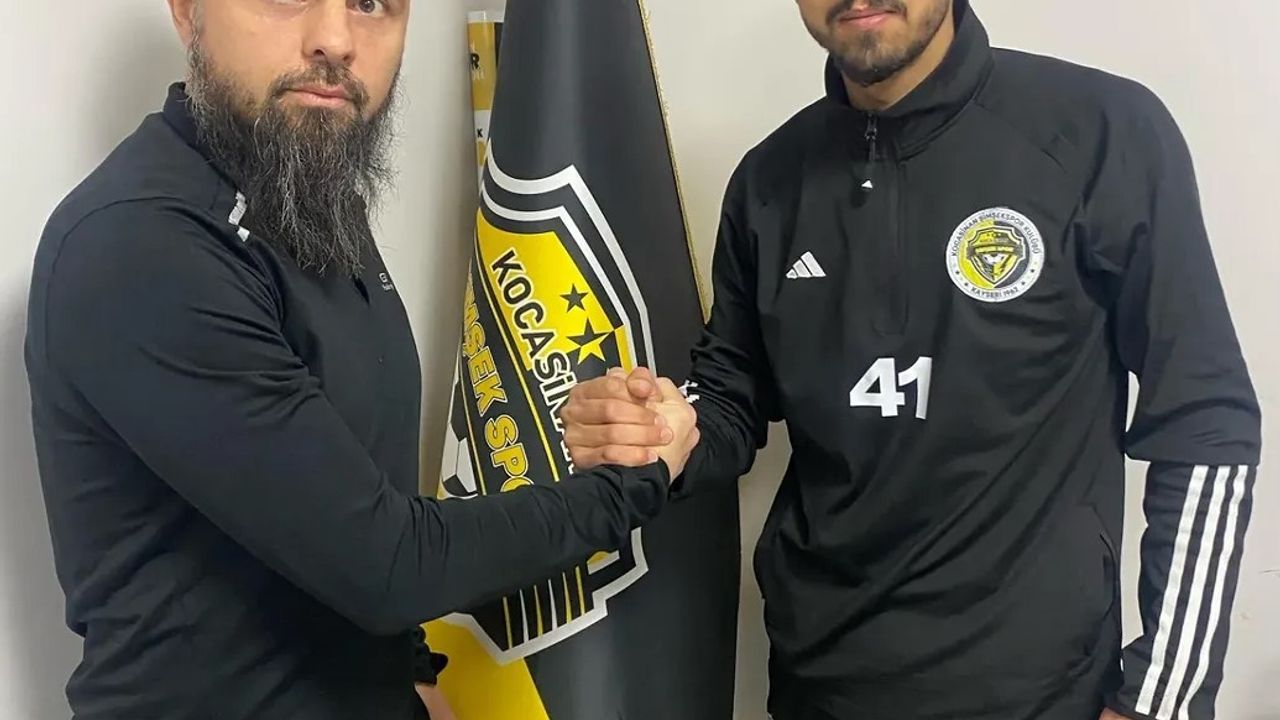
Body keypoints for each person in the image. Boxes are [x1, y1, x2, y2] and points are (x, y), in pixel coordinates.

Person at [559, 1, 1261, 719]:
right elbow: (731, 394)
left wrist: (1159, 699)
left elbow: (1206, 420)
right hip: (819, 687)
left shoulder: (1100, 132)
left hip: (1042, 694)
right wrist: (664, 428)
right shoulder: (768, 180)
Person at [23, 1, 700, 718]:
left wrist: (412, 673)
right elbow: (390, 564)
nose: (336, 40)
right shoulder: (142, 245)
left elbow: (352, 492)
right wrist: (636, 481)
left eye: (372, 3)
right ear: (189, 11)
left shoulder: (305, 193)